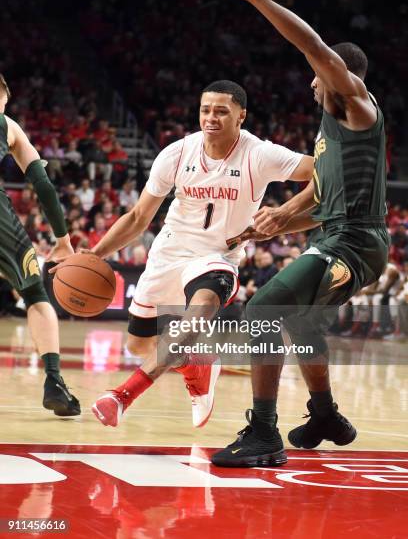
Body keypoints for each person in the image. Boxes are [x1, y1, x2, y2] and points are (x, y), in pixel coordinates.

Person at [211, 0, 389, 467]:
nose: (311, 81)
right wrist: (277, 221)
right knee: (304, 324)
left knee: (265, 310)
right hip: (342, 235)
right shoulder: (329, 136)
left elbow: (313, 46)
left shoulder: (356, 103)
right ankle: (325, 414)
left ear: (337, 75)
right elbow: (322, 203)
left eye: (318, 74)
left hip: (354, 244)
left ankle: (263, 434)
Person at [79, 80, 313, 429]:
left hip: (218, 256)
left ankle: (121, 396)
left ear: (241, 116)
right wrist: (95, 254)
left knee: (196, 315)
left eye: (222, 110)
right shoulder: (177, 153)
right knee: (140, 345)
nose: (211, 117)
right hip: (169, 253)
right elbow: (139, 217)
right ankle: (198, 364)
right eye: (206, 109)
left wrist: (285, 217)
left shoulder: (261, 153)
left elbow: (323, 173)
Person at [0, 74, 80, 417]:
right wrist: (63, 241)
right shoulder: (7, 125)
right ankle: (53, 379)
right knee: (34, 294)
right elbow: (43, 186)